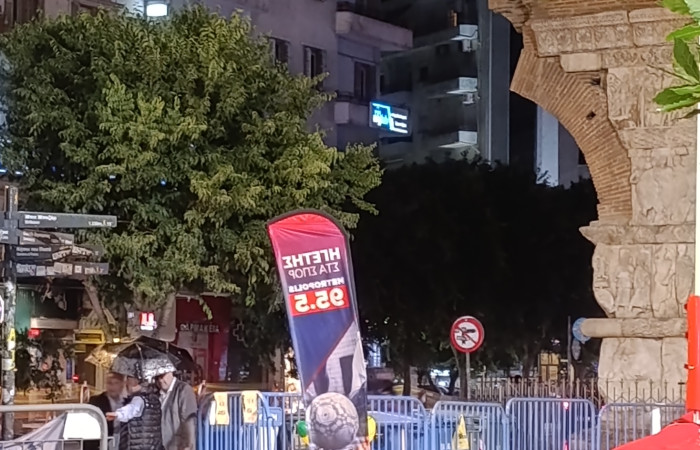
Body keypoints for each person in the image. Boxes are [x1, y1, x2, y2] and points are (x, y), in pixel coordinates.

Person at [106, 375, 163, 450]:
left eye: (128, 380)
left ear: (136, 382)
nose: (126, 383)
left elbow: (131, 409)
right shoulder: (155, 399)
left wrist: (118, 414)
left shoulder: (139, 399)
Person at [156, 371, 197, 450]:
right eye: (158, 377)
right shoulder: (158, 393)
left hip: (178, 446)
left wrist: (188, 446)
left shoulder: (184, 390)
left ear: (170, 372)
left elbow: (189, 422)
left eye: (162, 376)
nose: (160, 380)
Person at [85, 372, 124, 450]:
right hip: (103, 443)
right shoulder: (96, 401)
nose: (112, 387)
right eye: (109, 383)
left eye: (116, 383)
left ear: (122, 384)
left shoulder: (127, 402)